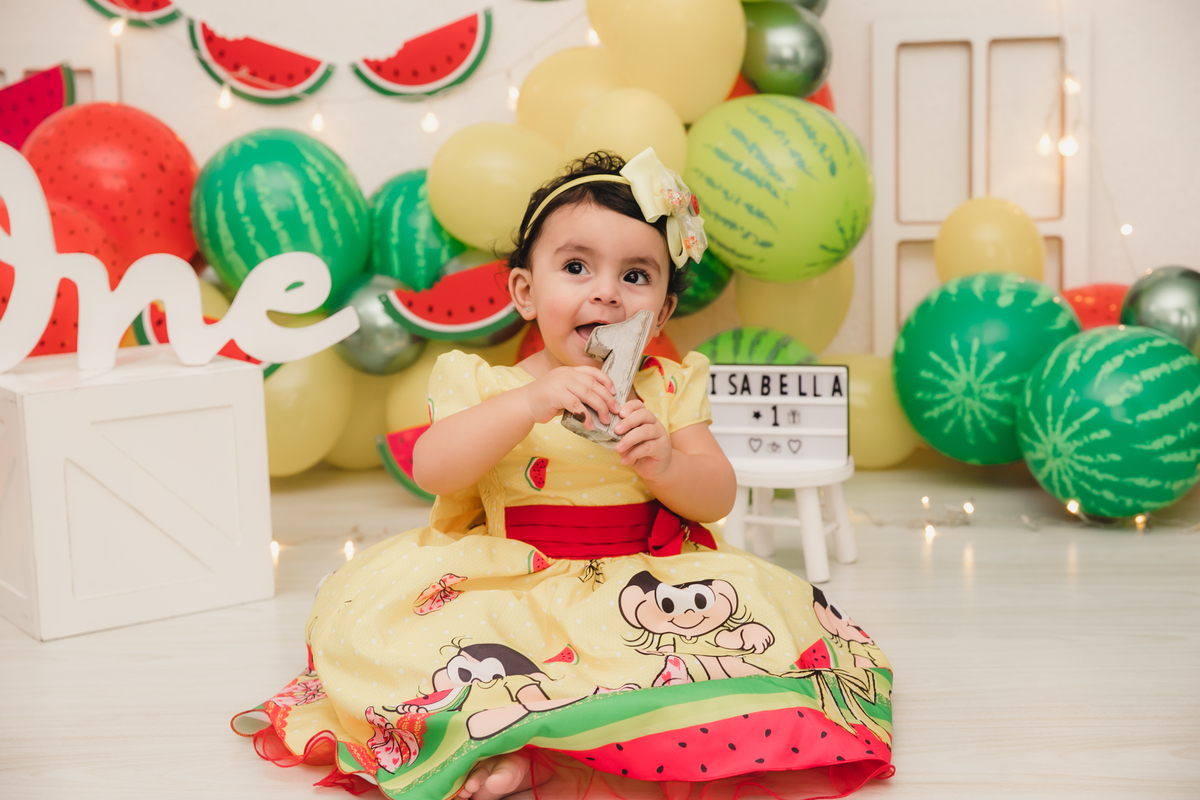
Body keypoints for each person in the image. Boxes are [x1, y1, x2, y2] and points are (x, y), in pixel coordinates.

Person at [232, 149, 894, 800]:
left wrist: (667, 463)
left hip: (642, 582)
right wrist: (526, 404)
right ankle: (516, 749)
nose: (606, 291)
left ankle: (558, 756)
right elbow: (433, 466)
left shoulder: (667, 387)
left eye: (635, 275)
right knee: (445, 652)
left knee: (711, 648)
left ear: (662, 313)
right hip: (514, 581)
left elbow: (717, 494)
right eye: (577, 267)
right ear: (526, 292)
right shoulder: (490, 385)